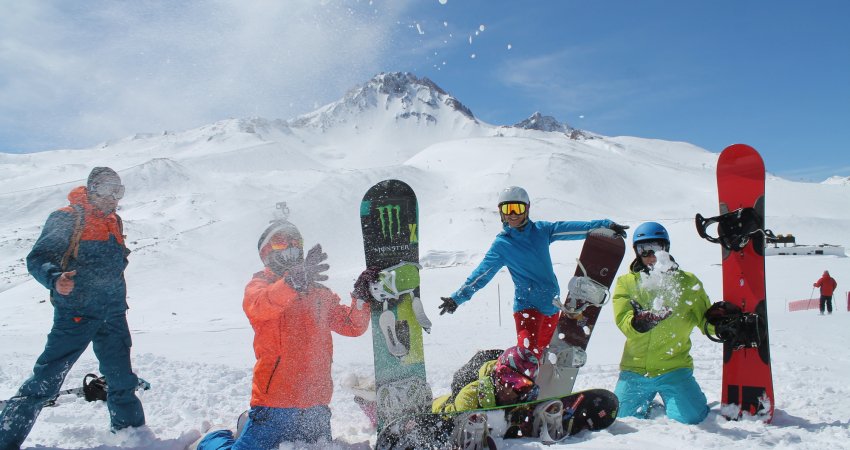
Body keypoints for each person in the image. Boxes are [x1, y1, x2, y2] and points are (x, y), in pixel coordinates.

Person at [187, 216, 372, 450]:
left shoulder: (319, 293)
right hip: (274, 406)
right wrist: (292, 283)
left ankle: (244, 425)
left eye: (296, 241)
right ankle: (213, 437)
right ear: (266, 252)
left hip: (316, 407)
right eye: (280, 242)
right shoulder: (259, 288)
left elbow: (352, 326)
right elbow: (262, 305)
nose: (291, 247)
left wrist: (362, 297)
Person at [0, 168, 146, 449]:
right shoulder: (67, 216)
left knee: (121, 379)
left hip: (112, 312)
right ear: (91, 189)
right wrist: (55, 279)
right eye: (105, 189)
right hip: (76, 313)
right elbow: (39, 257)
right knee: (46, 380)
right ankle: (6, 440)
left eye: (118, 191)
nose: (112, 197)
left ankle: (134, 438)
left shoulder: (115, 221)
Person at [438, 186, 627, 357]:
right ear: (500, 212)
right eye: (507, 209)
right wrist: (457, 298)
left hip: (552, 307)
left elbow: (574, 229)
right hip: (526, 308)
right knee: (527, 355)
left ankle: (536, 392)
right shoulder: (502, 245)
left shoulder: (542, 231)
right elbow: (480, 275)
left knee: (542, 357)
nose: (513, 214)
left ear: (527, 209)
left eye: (517, 208)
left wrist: (605, 226)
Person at [611, 222, 714, 425]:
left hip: (674, 369)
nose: (651, 256)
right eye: (643, 249)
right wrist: (637, 324)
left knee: (690, 418)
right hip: (636, 370)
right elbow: (623, 322)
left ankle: (682, 400)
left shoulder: (688, 283)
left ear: (666, 248)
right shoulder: (627, 282)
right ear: (636, 252)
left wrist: (720, 326)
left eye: (656, 248)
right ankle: (649, 402)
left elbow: (706, 321)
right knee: (621, 420)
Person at [432, 346, 540, 414]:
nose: (509, 390)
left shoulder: (526, 399)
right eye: (506, 378)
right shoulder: (469, 395)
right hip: (437, 417)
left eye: (520, 386)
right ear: (496, 371)